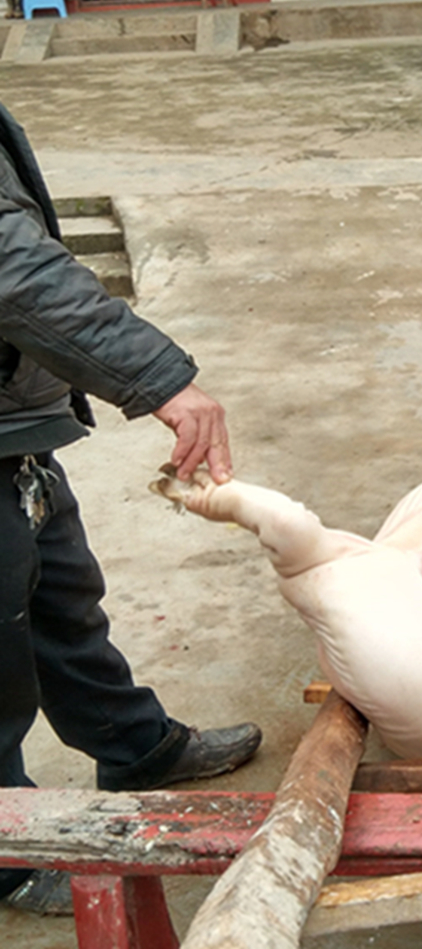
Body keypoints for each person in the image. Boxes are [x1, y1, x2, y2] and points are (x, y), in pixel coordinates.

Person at [0, 102, 260, 916]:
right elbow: (13, 268)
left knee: (57, 590)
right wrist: (160, 379)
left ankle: (132, 745)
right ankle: (8, 847)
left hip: (12, 418)